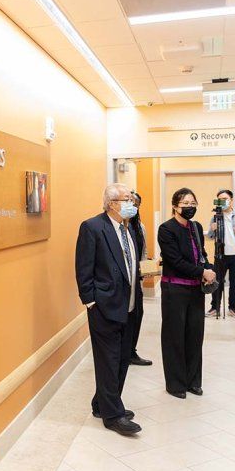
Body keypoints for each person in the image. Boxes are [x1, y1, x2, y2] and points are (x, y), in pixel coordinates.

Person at [75, 183, 144, 436]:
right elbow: (84, 268)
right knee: (108, 361)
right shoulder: (93, 227)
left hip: (130, 307)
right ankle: (113, 415)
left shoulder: (129, 230)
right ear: (112, 203)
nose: (132, 204)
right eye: (127, 199)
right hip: (104, 307)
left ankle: (102, 404)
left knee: (123, 358)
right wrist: (91, 302)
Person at [157, 188, 216, 398]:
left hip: (195, 291)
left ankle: (193, 381)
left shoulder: (196, 227)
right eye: (185, 203)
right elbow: (175, 261)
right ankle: (176, 384)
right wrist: (203, 271)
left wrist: (209, 268)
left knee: (194, 335)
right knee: (174, 336)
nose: (190, 207)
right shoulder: (166, 229)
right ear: (175, 206)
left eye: (193, 203)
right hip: (175, 289)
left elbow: (202, 254)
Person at [207, 189, 235, 318]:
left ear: (231, 200)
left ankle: (232, 308)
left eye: (225, 198)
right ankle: (214, 307)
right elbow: (210, 236)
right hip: (220, 255)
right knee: (217, 282)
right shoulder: (216, 217)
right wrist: (212, 229)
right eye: (220, 199)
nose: (223, 201)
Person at [128, 191, 152, 366]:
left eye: (136, 204)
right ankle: (123, 351)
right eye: (129, 202)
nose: (133, 206)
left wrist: (145, 269)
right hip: (121, 280)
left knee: (138, 314)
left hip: (137, 279)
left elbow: (143, 252)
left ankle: (131, 351)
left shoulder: (139, 227)